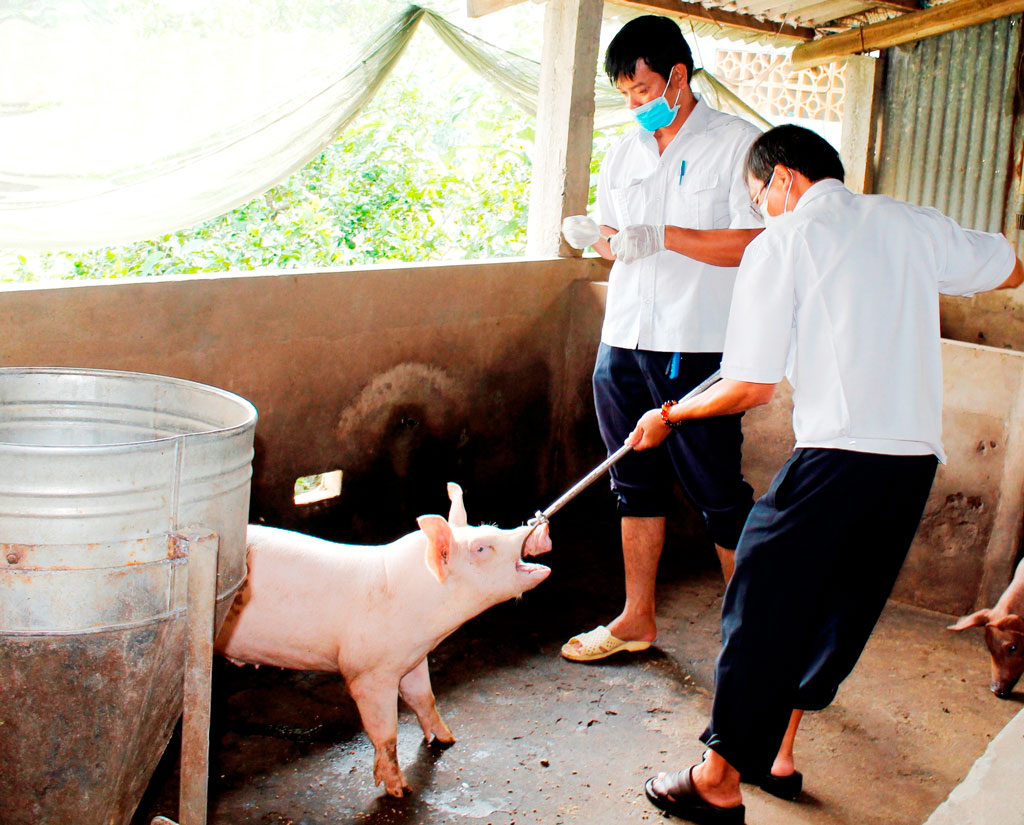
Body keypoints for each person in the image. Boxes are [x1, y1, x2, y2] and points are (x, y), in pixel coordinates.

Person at [627, 124, 1023, 824]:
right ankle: (775, 754)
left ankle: (717, 778)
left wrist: (673, 416)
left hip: (838, 453)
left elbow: (750, 384)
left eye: (757, 197)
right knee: (834, 606)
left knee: (760, 595)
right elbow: (1010, 266)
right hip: (911, 465)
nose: (759, 212)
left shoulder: (783, 241)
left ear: (782, 179)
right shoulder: (909, 223)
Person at [559, 14, 763, 663]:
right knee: (633, 485)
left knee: (718, 493)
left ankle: (755, 637)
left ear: (678, 76)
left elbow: (758, 243)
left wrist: (667, 235)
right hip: (622, 340)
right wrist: (597, 235)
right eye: (625, 95)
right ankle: (636, 618)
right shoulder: (625, 151)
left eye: (642, 91)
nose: (635, 106)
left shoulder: (739, 145)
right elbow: (622, 239)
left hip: (696, 343)